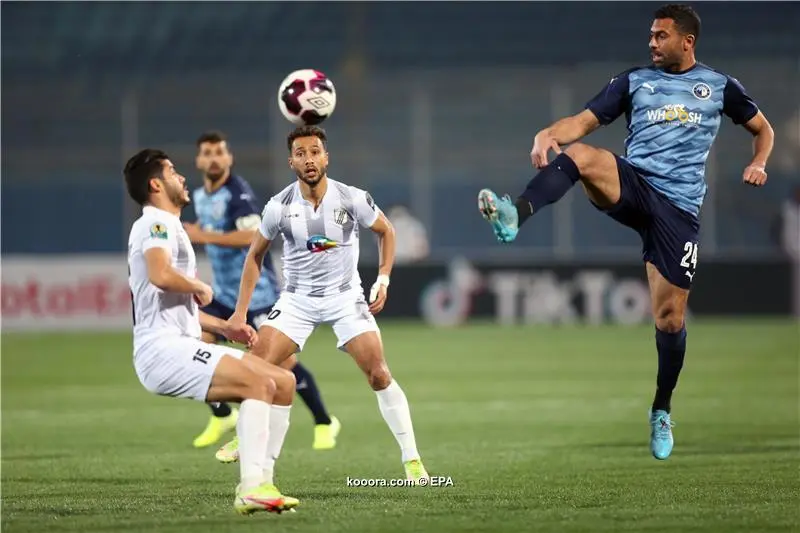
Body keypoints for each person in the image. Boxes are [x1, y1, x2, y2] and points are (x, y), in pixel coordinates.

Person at [476, 4, 774, 460]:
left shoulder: (718, 87)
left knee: (669, 319)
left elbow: (762, 128)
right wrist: (546, 132)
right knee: (580, 154)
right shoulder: (633, 82)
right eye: (651, 35)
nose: (652, 43)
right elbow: (581, 122)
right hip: (635, 185)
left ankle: (661, 408)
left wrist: (758, 161)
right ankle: (515, 214)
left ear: (687, 41)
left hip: (678, 211)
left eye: (661, 36)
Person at [222, 125, 430, 483]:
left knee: (378, 373)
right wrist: (240, 313)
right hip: (297, 301)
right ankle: (247, 438)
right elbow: (254, 256)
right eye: (301, 154)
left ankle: (412, 459)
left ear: (326, 157)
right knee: (253, 371)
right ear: (292, 162)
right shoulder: (278, 207)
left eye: (315, 151)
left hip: (345, 297)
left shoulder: (352, 198)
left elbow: (386, 231)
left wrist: (383, 278)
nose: (309, 159)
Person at [124, 148, 299, 514]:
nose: (182, 177)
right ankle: (251, 487)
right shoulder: (154, 223)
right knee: (258, 384)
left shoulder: (166, 225)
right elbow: (159, 274)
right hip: (162, 352)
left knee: (282, 382)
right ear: (156, 184)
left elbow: (174, 308)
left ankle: (263, 482)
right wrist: (199, 288)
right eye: (172, 172)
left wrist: (224, 326)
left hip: (177, 342)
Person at [182, 130, 340, 453]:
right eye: (207, 153)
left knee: (284, 364)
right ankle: (222, 413)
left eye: (219, 152)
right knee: (189, 343)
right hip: (225, 294)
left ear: (229, 158)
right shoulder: (199, 195)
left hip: (260, 295)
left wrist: (204, 236)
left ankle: (324, 421)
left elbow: (250, 236)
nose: (213, 158)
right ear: (199, 160)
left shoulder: (237, 194)